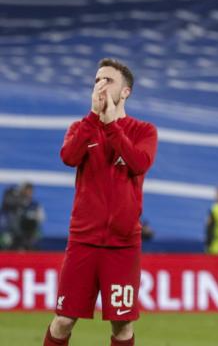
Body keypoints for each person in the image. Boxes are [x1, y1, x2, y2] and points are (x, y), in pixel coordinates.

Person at [45, 59, 158, 346]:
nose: (100, 86)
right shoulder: (80, 127)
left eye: (108, 80)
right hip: (83, 241)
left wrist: (110, 126)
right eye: (97, 80)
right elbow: (68, 157)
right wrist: (94, 120)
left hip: (122, 245)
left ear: (126, 92)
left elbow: (138, 163)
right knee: (63, 321)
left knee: (122, 324)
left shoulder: (143, 130)